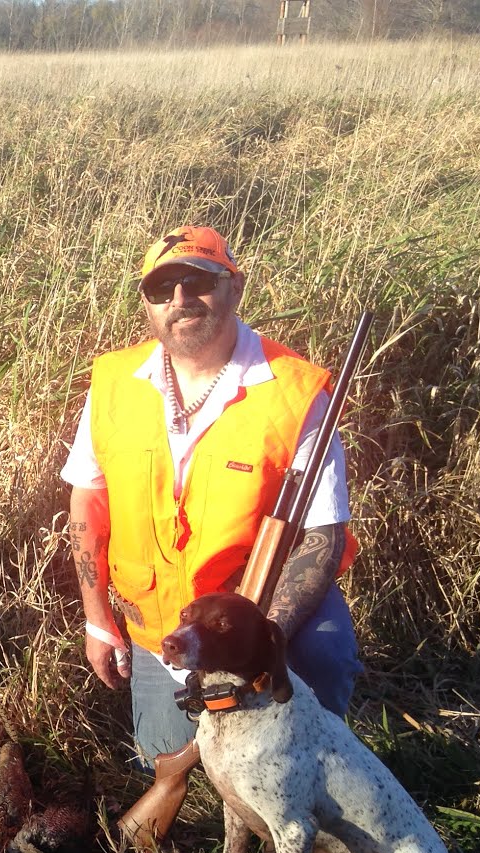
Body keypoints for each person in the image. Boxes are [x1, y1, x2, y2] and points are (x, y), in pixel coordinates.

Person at [61, 224, 361, 766]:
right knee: (163, 759)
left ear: (234, 288)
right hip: (161, 621)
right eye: (162, 288)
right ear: (148, 304)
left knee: (324, 652)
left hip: (254, 603)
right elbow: (88, 500)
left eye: (199, 281)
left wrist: (262, 644)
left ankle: (311, 758)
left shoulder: (294, 393)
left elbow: (321, 535)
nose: (180, 299)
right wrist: (97, 619)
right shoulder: (114, 382)